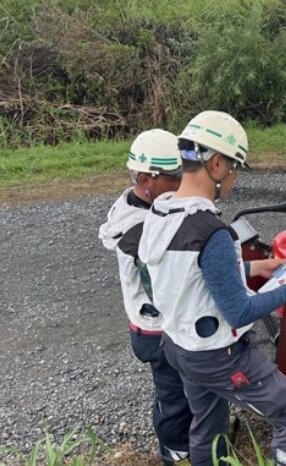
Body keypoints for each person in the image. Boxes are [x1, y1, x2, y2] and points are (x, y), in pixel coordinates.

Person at [137, 111, 286, 466]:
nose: (235, 177)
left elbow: (186, 273)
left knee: (209, 425)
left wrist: (252, 267)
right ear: (217, 163)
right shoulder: (211, 231)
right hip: (216, 355)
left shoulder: (161, 211)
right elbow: (238, 311)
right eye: (236, 166)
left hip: (177, 345)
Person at [98, 129, 192, 465]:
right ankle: (176, 453)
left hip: (148, 326)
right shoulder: (140, 229)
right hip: (156, 330)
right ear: (145, 179)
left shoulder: (135, 205)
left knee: (174, 391)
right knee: (175, 396)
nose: (182, 184)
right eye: (174, 178)